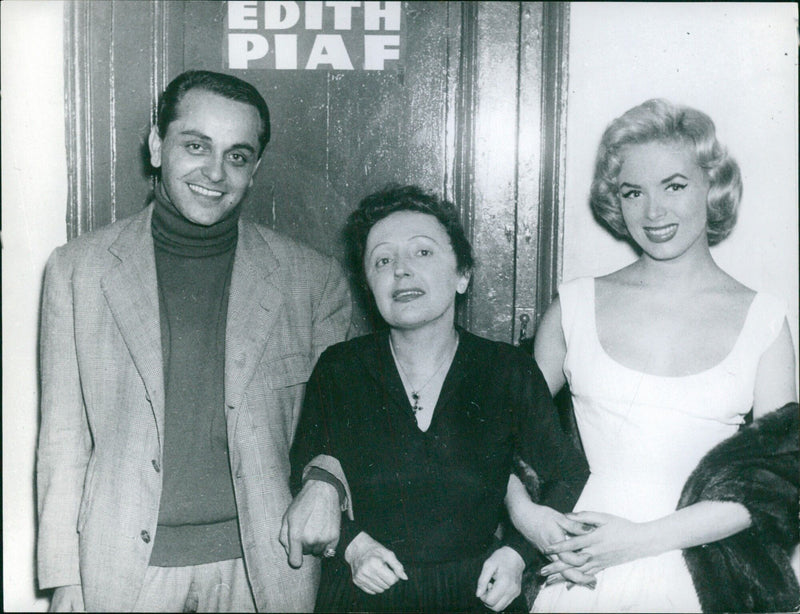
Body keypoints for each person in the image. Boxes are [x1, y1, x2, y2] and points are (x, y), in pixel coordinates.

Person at [36, 70, 352, 612]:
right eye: (195, 145)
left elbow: (341, 424)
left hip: (267, 569)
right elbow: (64, 440)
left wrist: (328, 480)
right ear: (157, 145)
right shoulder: (77, 271)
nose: (214, 172)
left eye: (236, 155)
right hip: (123, 571)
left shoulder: (312, 279)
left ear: (255, 170)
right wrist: (67, 577)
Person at [507, 99, 798, 612]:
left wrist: (639, 541)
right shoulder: (573, 306)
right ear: (615, 202)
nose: (654, 212)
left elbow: (777, 484)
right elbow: (490, 434)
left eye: (675, 186)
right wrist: (529, 518)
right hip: (581, 570)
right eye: (633, 192)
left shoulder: (765, 319)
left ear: (714, 186)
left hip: (707, 572)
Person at [289, 185, 590, 612]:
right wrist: (354, 546)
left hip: (477, 596)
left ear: (462, 274)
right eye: (383, 260)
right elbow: (303, 478)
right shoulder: (340, 370)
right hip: (362, 594)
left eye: (422, 253)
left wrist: (517, 556)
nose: (402, 271)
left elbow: (570, 475)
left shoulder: (505, 370)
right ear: (368, 283)